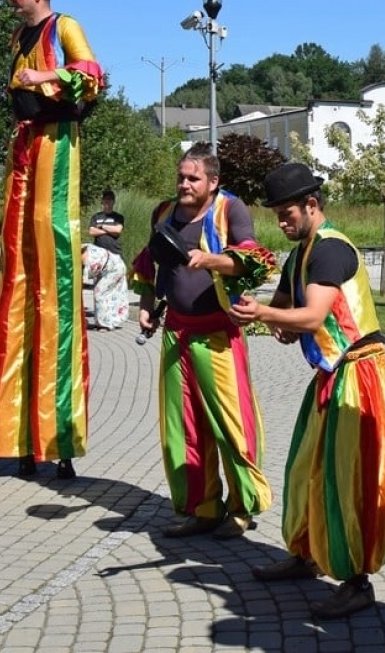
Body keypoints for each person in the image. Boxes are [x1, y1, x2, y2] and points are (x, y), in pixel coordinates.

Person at [229, 162, 385, 621]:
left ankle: (357, 581)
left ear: (311, 204)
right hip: (331, 372)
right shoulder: (300, 253)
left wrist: (267, 317)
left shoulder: (328, 251)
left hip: (359, 373)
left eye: (287, 214)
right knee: (306, 467)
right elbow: (286, 308)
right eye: (277, 215)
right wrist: (250, 304)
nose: (281, 222)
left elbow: (310, 317)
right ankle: (305, 555)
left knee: (348, 479)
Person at [0, 0, 103, 481]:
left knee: (55, 280)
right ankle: (21, 437)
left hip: (54, 146)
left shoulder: (63, 26)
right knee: (19, 284)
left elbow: (92, 75)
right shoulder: (16, 36)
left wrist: (43, 75)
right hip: (24, 148)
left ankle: (58, 439)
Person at [131, 146, 276, 538]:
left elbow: (254, 261)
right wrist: (148, 306)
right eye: (181, 176)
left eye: (193, 178)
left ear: (213, 182)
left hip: (218, 335)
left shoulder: (230, 210)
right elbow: (150, 262)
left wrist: (207, 259)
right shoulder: (163, 212)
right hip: (176, 332)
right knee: (185, 427)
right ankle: (202, 508)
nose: (184, 184)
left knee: (231, 426)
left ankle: (241, 508)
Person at [82, 243, 130, 331]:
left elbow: (83, 280)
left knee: (99, 294)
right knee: (106, 295)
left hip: (115, 269)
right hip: (110, 267)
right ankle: (106, 321)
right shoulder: (85, 249)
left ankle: (104, 324)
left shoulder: (85, 256)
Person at [88, 189, 124, 255]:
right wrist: (109, 231)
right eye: (105, 199)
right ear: (102, 201)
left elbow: (117, 230)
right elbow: (92, 231)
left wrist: (102, 226)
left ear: (113, 202)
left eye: (110, 199)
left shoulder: (118, 217)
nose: (107, 201)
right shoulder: (96, 216)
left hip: (114, 252)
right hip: (98, 252)